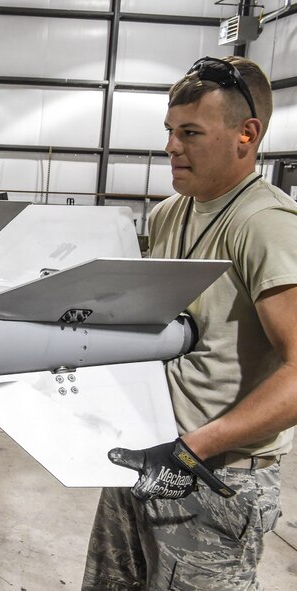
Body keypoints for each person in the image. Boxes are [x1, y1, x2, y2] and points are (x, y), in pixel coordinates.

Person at [82, 56, 297, 590]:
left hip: (216, 474)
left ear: (246, 134)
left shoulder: (264, 224)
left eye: (191, 132)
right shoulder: (169, 213)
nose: (172, 147)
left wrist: (196, 446)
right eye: (171, 132)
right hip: (151, 456)